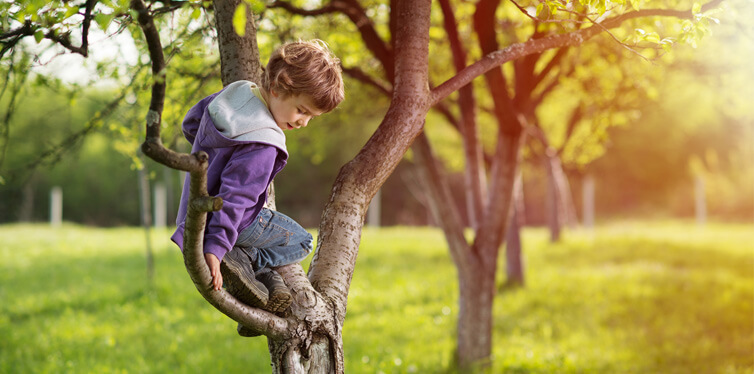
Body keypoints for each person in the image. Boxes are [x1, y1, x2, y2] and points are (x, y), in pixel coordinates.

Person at [171, 40, 344, 335]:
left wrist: (215, 159)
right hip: (234, 223)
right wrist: (217, 245)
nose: (303, 122)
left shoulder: (234, 95)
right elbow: (236, 198)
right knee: (301, 241)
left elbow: (192, 122)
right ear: (278, 87)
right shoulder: (263, 144)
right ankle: (247, 264)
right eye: (301, 111)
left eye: (311, 117)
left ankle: (261, 285)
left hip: (193, 211)